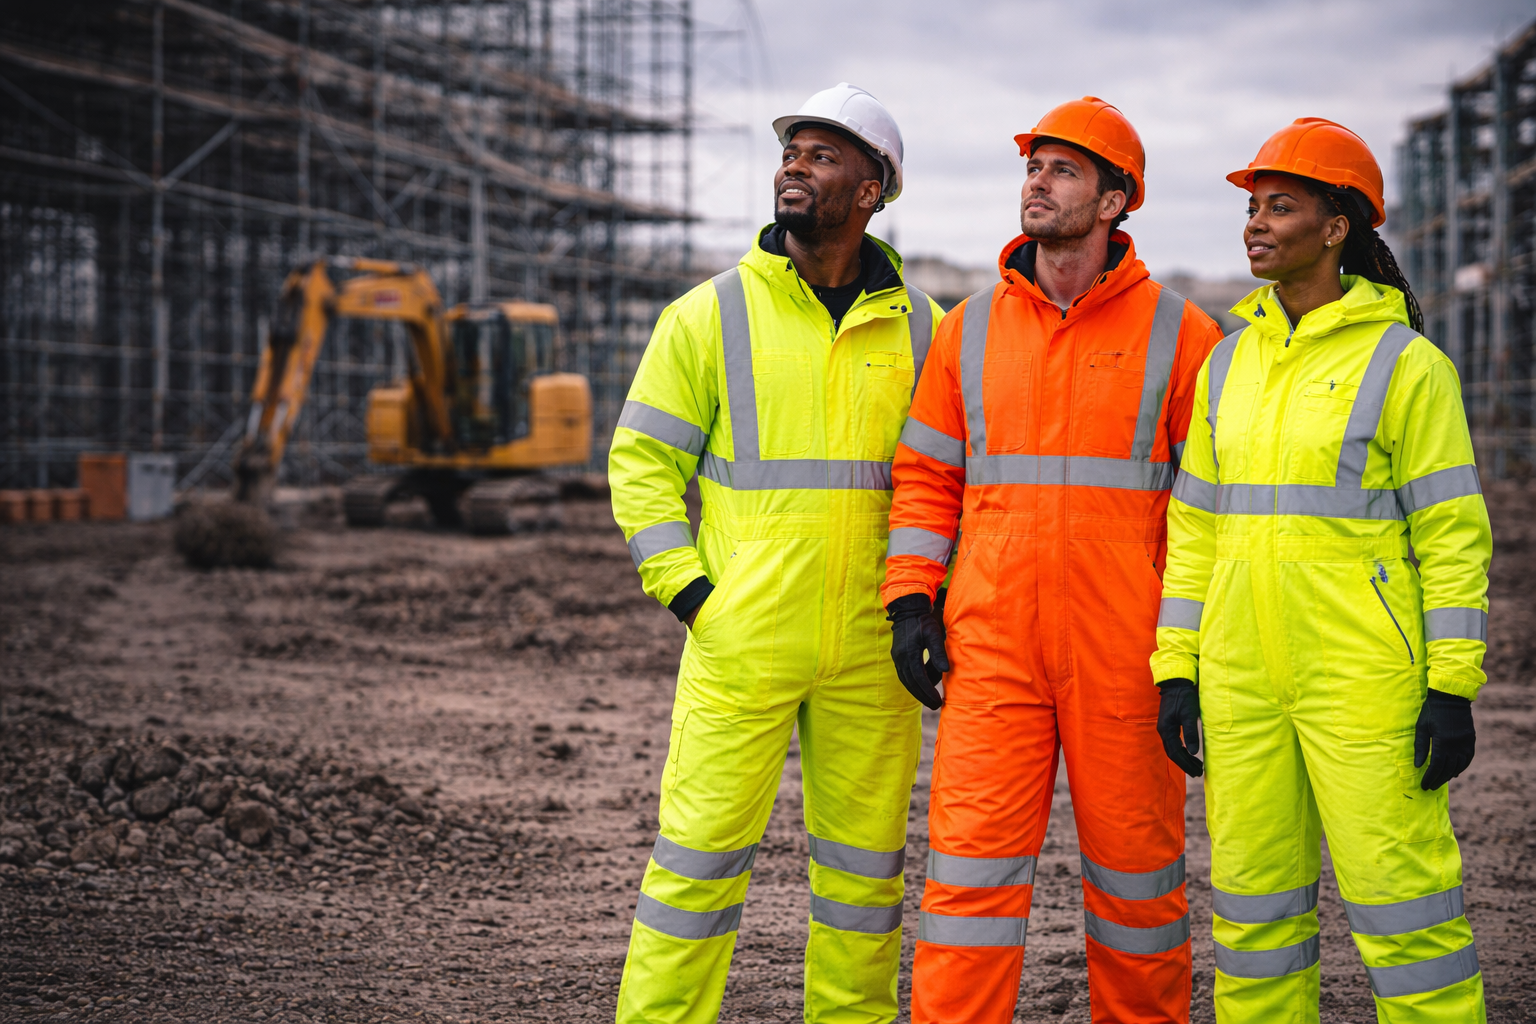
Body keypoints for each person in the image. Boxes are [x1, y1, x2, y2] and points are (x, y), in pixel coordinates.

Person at [881, 96, 1224, 1024]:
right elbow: (925, 480)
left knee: (1139, 894)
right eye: (1033, 165)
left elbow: (1211, 515)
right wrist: (912, 601)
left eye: (1063, 169)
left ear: (1117, 201)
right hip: (992, 652)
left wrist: (1191, 658)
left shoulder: (1184, 336)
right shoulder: (969, 328)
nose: (1037, 181)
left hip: (1128, 655)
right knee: (966, 888)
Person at [608, 82, 944, 1024]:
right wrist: (691, 593)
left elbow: (947, 483)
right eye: (790, 149)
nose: (794, 163)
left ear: (871, 189)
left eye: (821, 153)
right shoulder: (707, 314)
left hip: (873, 651)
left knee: (864, 880)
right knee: (696, 863)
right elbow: (640, 462)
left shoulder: (926, 329)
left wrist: (928, 602)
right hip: (741, 638)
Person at [1152, 118, 1491, 1022]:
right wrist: (1178, 669)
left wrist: (1451, 686)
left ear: (1336, 226)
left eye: (1280, 207)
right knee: (1255, 916)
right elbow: (1195, 530)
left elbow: (1453, 535)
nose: (1255, 224)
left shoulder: (1407, 366)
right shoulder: (1228, 366)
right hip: (1239, 681)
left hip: (1362, 680)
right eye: (1252, 208)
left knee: (1405, 909)